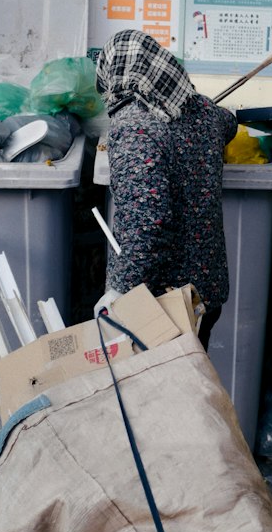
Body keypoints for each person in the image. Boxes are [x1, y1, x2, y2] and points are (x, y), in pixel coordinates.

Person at [94, 29, 237, 350]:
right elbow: (229, 123)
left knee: (157, 394)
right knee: (191, 386)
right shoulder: (205, 112)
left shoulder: (133, 126)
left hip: (162, 299)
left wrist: (119, 289)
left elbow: (148, 222)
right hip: (206, 293)